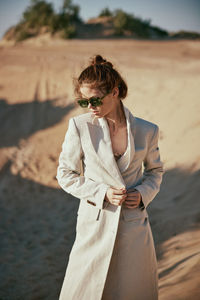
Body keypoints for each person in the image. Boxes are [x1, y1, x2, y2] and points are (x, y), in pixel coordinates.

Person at [56, 54, 164, 300]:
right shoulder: (79, 126)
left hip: (133, 226)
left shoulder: (148, 130)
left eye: (95, 100)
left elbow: (155, 171)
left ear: (115, 92)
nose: (90, 107)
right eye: (84, 101)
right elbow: (65, 174)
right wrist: (101, 192)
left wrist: (143, 194)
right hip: (95, 223)